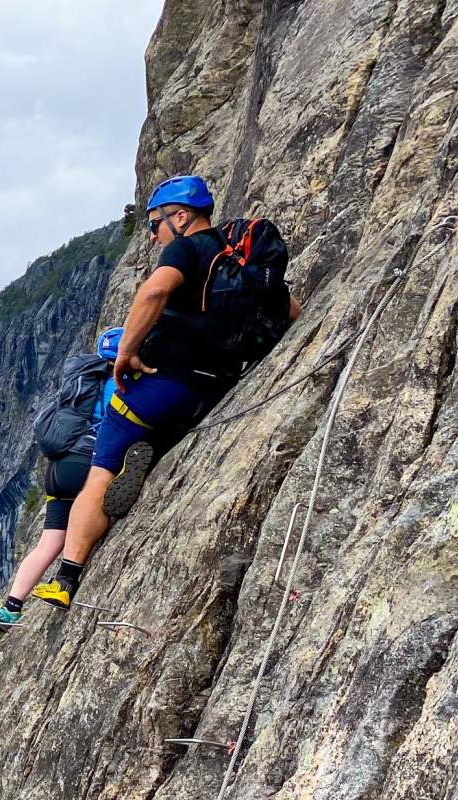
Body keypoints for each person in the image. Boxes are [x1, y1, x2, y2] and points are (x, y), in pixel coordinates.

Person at [32, 175, 304, 609]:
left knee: (101, 468)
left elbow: (155, 290)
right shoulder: (238, 256)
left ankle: (65, 577)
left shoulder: (187, 248)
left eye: (155, 222)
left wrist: (126, 351)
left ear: (181, 217)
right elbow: (289, 310)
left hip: (162, 384)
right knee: (159, 436)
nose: (153, 233)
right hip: (214, 388)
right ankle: (150, 452)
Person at [0, 327, 121, 632]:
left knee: (48, 542)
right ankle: (65, 581)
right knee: (92, 509)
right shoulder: (115, 384)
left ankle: (10, 609)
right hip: (87, 460)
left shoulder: (77, 387)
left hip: (57, 468)